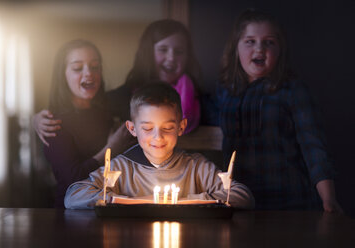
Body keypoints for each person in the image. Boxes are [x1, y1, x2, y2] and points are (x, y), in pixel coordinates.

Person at [216, 9, 342, 212]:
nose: (259, 49)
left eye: (269, 42)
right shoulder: (226, 91)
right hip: (240, 202)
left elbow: (314, 147)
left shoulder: (292, 90)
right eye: (250, 41)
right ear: (236, 48)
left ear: (280, 50)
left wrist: (329, 199)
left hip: (290, 203)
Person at [64, 83, 254, 210]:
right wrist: (121, 201)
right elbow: (73, 196)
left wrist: (188, 202)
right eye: (147, 128)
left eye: (168, 127)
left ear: (181, 127)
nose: (158, 136)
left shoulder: (197, 167)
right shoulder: (120, 168)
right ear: (132, 128)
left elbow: (243, 196)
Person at [33, 19, 201, 144]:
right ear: (148, 54)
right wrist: (35, 119)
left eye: (179, 51)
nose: (171, 57)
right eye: (163, 50)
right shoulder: (123, 96)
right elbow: (85, 106)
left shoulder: (199, 98)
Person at [43, 39, 134, 208]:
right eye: (78, 68)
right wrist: (111, 149)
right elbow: (73, 179)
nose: (89, 73)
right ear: (62, 75)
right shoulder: (53, 124)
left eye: (95, 67)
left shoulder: (108, 111)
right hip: (72, 213)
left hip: (109, 207)